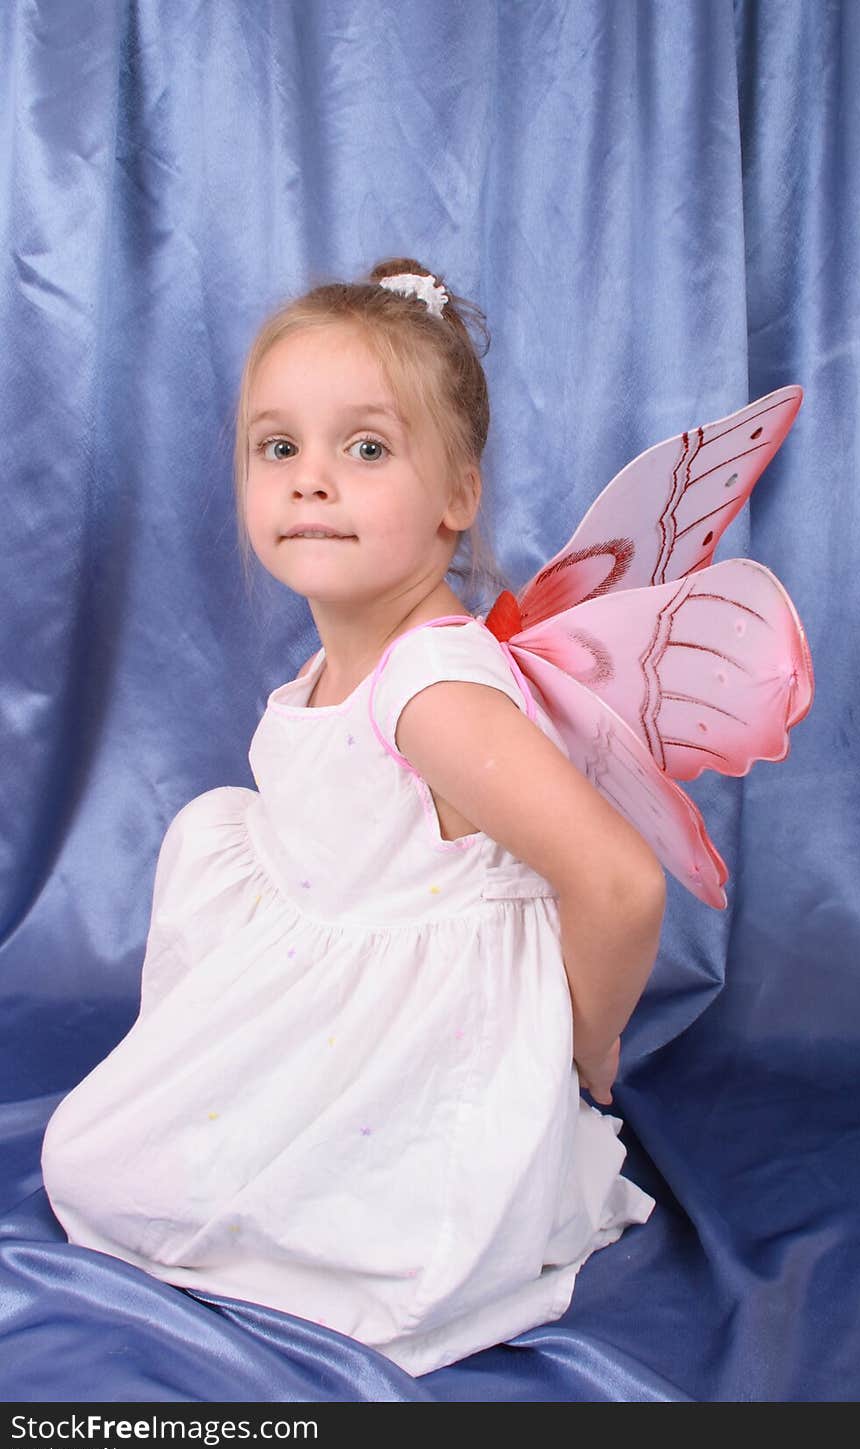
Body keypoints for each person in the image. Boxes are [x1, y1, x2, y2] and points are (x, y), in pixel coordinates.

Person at [40, 257, 663, 1378]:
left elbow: (618, 882)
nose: (311, 480)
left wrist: (585, 1038)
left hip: (415, 1034)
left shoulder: (432, 692)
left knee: (104, 1166)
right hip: (340, 985)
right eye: (279, 447)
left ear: (455, 497)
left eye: (365, 448)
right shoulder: (357, 660)